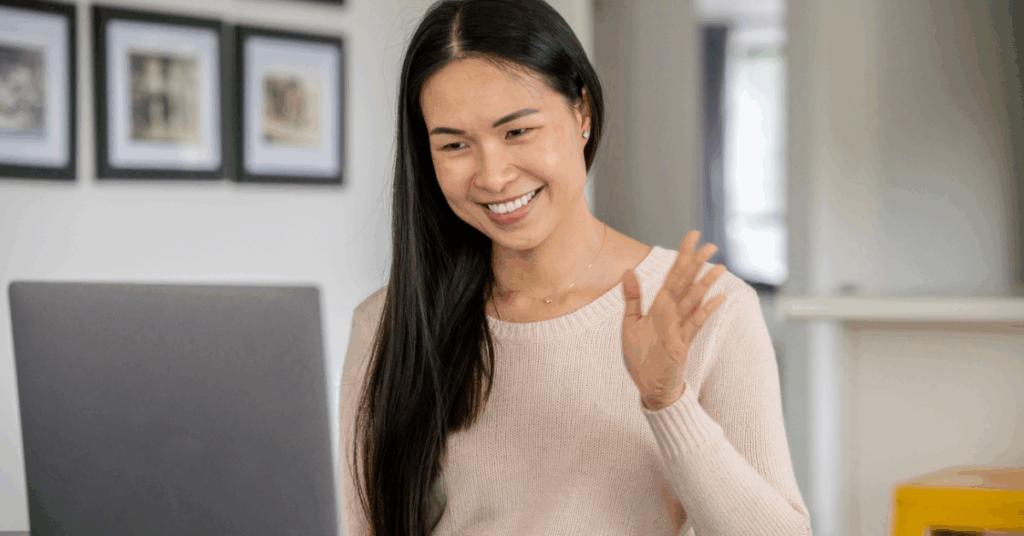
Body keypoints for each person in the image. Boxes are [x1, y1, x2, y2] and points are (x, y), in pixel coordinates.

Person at [338, 0, 812, 534]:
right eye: (455, 144)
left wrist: (667, 401)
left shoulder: (706, 311)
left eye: (517, 131)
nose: (493, 176)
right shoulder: (389, 323)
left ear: (581, 112)